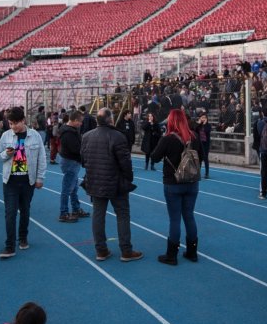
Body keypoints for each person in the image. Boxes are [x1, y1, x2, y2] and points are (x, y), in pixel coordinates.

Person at [81, 108, 143, 262]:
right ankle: (126, 251)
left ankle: (101, 250)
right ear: (110, 120)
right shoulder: (118, 136)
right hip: (116, 183)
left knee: (98, 215)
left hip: (95, 181)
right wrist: (128, 178)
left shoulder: (87, 136)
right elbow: (125, 163)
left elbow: (84, 160)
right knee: (122, 215)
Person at [148, 109, 201, 265]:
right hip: (192, 182)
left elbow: (154, 157)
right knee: (189, 215)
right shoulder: (194, 137)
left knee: (175, 219)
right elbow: (201, 157)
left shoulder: (168, 139)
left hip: (173, 182)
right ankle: (192, 252)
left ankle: (171, 255)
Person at [0, 107, 47, 259]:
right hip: (10, 181)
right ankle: (9, 245)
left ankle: (23, 237)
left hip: (27, 181)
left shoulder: (35, 135)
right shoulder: (5, 136)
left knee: (25, 211)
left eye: (15, 123)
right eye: (10, 123)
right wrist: (6, 153)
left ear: (23, 121)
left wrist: (40, 178)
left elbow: (41, 158)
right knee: (10, 213)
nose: (13, 127)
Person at [58, 110, 90, 223]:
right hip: (70, 162)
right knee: (67, 188)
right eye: (80, 122)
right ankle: (63, 213)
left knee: (73, 187)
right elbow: (75, 149)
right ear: (75, 120)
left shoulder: (69, 130)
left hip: (71, 161)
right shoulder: (68, 133)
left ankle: (75, 209)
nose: (81, 124)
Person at [196, 112, 212, 178]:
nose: (203, 119)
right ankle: (198, 173)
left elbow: (207, 131)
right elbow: (195, 130)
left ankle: (207, 173)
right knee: (199, 159)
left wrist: (205, 124)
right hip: (199, 144)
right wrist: (199, 124)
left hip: (206, 144)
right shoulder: (198, 125)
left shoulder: (208, 125)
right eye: (202, 117)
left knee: (205, 158)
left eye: (205, 118)